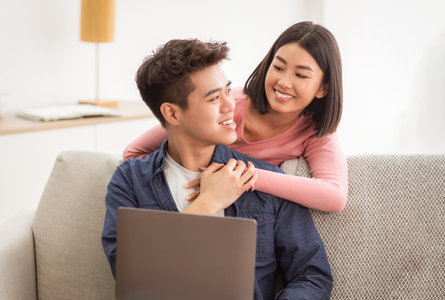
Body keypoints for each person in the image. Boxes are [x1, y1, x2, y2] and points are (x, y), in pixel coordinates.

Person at [102, 39, 333, 299]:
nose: (230, 105)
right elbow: (134, 281)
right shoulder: (129, 181)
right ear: (173, 114)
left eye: (227, 91)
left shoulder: (265, 182)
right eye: (214, 98)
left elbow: (312, 277)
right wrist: (207, 203)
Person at [122, 21, 348, 213]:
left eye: (300, 75)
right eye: (278, 67)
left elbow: (335, 196)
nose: (283, 82)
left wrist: (240, 176)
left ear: (323, 88)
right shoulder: (228, 106)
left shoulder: (316, 131)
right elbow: (133, 153)